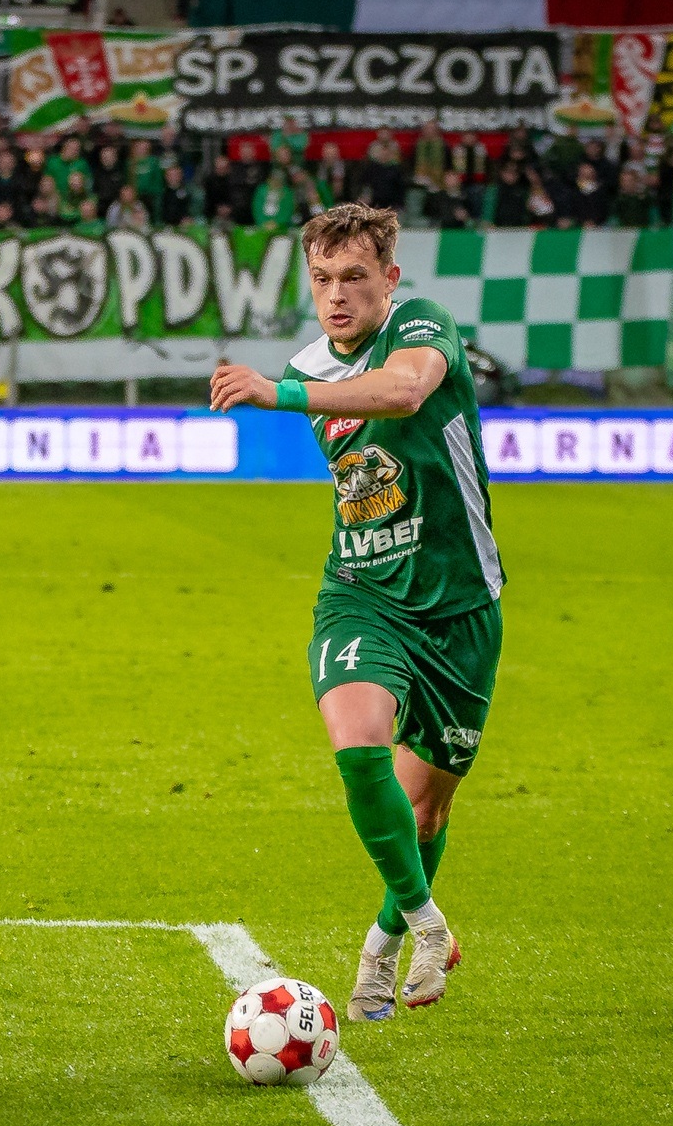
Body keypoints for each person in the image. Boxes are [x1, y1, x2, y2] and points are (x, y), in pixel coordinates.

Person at [208, 204, 502, 1021]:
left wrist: (278, 392)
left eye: (354, 277)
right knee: (358, 746)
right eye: (322, 278)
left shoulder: (422, 325)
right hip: (361, 590)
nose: (336, 294)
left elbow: (403, 392)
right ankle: (429, 923)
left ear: (389, 279)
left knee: (426, 809)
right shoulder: (311, 363)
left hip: (458, 604)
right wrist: (296, 386)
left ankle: (382, 942)